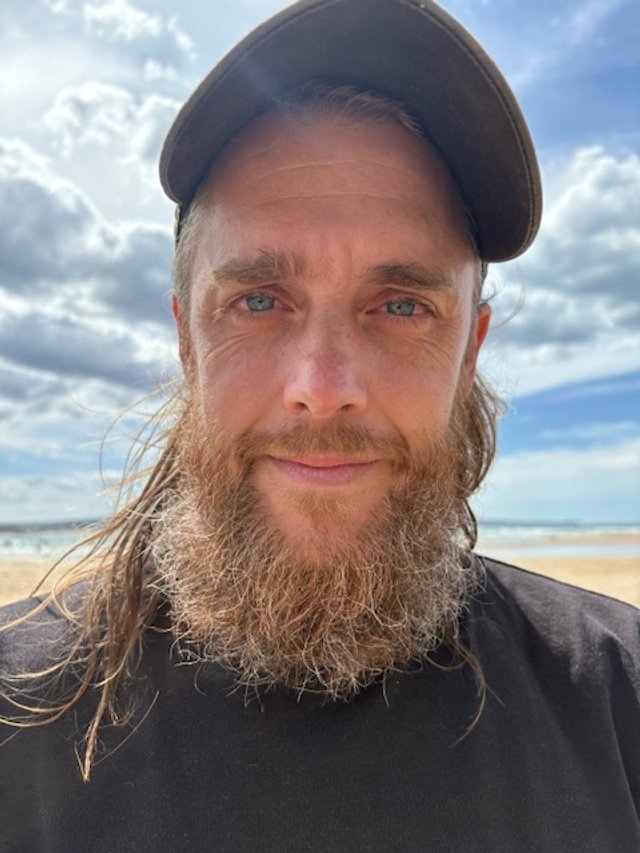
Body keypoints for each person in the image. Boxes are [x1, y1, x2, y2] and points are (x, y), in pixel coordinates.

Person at [1, 1, 638, 850]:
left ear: (469, 352)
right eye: (259, 300)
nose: (323, 388)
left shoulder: (616, 694)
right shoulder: (19, 708)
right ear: (188, 340)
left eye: (403, 304)